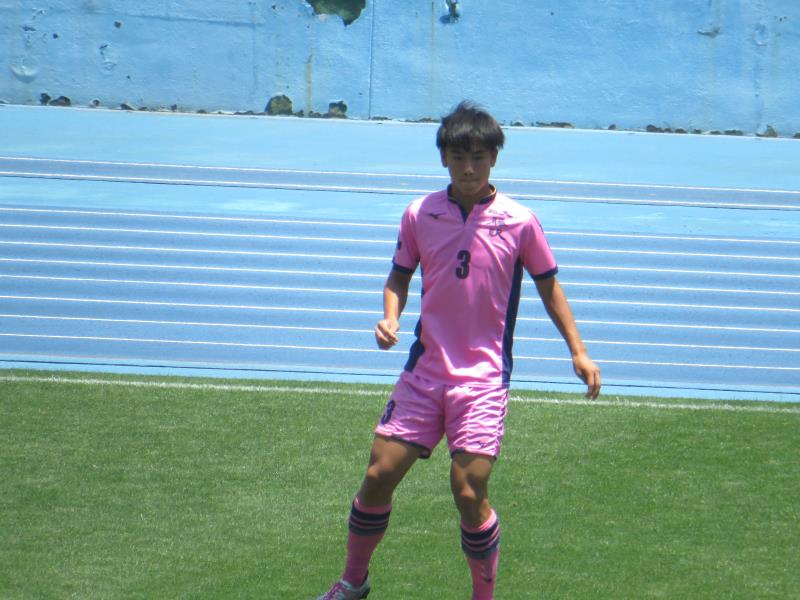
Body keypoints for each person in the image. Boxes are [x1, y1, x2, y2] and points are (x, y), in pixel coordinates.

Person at [317, 101, 601, 600]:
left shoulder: (520, 221)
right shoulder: (420, 213)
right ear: (444, 159)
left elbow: (549, 287)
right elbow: (399, 277)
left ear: (494, 158)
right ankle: (353, 582)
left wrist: (578, 351)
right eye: (458, 157)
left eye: (478, 157)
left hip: (483, 380)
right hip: (425, 373)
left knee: (469, 492)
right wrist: (390, 317)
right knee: (378, 475)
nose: (468, 168)